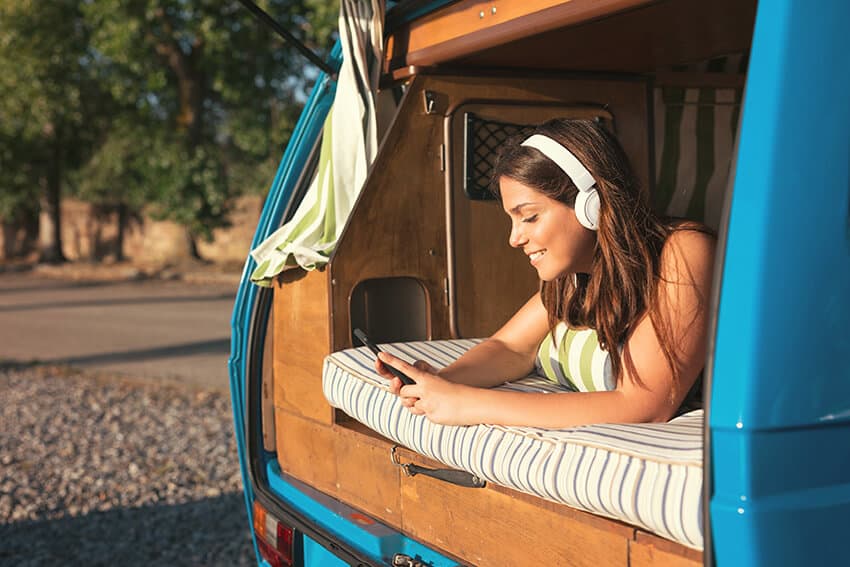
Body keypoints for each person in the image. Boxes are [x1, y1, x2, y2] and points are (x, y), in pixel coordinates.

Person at [375, 118, 715, 428]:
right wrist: (442, 382)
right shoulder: (573, 276)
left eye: (530, 216)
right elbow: (509, 348)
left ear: (591, 206)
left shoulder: (684, 252)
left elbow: (643, 404)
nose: (514, 238)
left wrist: (468, 404)